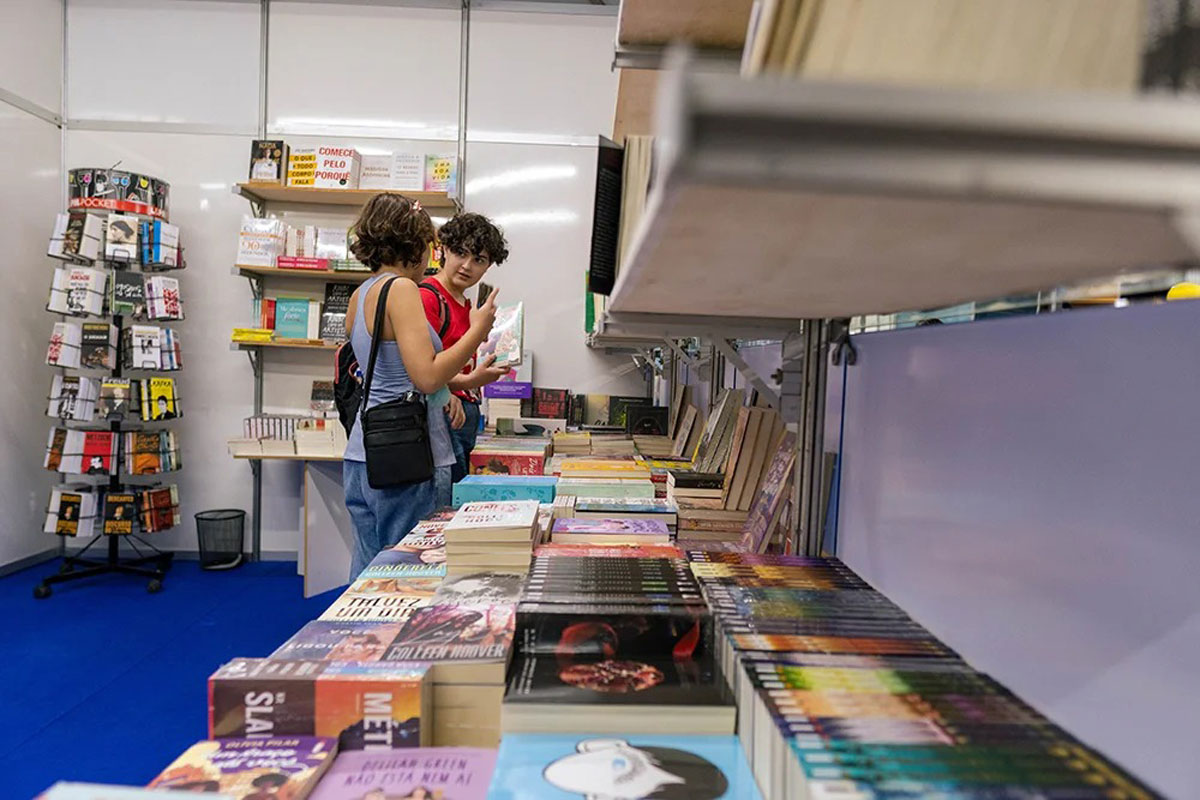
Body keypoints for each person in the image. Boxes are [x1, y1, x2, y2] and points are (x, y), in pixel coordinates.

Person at [343, 194, 498, 579]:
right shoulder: (402, 290)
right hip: (408, 454)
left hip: (364, 449)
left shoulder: (360, 294)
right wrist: (478, 331)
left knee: (366, 570)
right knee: (409, 572)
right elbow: (425, 376)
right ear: (415, 244)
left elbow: (381, 369)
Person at [420, 213, 511, 503]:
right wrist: (461, 383)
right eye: (460, 253)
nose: (467, 266)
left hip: (467, 412)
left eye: (479, 260)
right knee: (442, 506)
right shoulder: (428, 297)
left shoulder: (468, 303)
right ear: (443, 249)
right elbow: (422, 369)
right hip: (443, 414)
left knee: (457, 503)